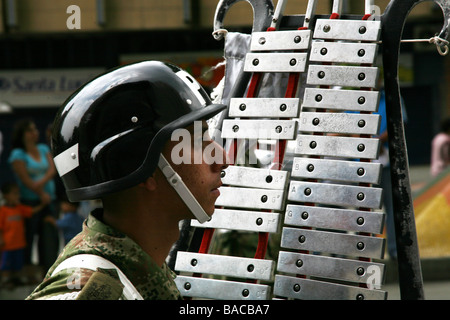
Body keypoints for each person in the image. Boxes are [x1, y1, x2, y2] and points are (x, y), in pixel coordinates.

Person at [26, 61, 229, 300]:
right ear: (141, 165)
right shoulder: (88, 290)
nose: (222, 159)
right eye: (196, 141)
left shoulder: (140, 269)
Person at [8, 118, 59, 278]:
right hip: (29, 201)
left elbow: (52, 170)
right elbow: (24, 179)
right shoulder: (18, 154)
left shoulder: (43, 148)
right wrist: (40, 192)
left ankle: (48, 270)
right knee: (28, 237)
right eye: (30, 130)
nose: (34, 133)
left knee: (48, 235)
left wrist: (42, 187)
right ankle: (27, 272)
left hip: (48, 200)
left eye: (35, 129)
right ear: (23, 134)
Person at [0, 182, 49, 288]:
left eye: (18, 193)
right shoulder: (3, 211)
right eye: (14, 193)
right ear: (6, 195)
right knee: (6, 264)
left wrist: (43, 204)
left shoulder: (19, 208)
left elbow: (32, 211)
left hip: (19, 243)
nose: (17, 196)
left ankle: (16, 280)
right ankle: (5, 280)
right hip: (7, 245)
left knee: (18, 263)